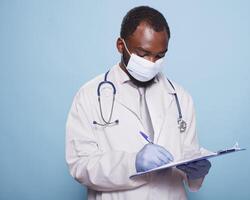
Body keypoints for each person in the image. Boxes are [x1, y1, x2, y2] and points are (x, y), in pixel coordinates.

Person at [66, 6, 211, 200]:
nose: (152, 62)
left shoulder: (180, 97)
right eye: (143, 54)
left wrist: (196, 172)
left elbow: (187, 161)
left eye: (160, 56)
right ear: (120, 45)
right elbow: (80, 166)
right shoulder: (89, 95)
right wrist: (133, 162)